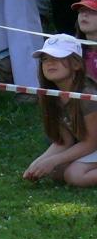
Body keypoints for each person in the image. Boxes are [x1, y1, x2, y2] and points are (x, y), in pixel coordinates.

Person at [22, 34, 97, 187]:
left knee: (74, 175)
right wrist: (39, 163)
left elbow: (91, 143)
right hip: (90, 146)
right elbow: (65, 140)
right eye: (45, 59)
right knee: (55, 171)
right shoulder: (52, 96)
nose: (50, 63)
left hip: (93, 144)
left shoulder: (88, 96)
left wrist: (54, 160)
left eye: (57, 58)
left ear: (76, 64)